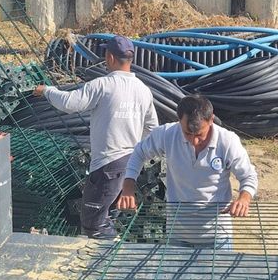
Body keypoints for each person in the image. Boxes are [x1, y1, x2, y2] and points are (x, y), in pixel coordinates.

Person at [33, 35, 158, 239]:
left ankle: (112, 262)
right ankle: (111, 254)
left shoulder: (102, 85)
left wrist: (47, 90)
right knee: (108, 218)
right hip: (130, 166)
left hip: (107, 167)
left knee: (94, 225)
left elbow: (70, 103)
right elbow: (152, 128)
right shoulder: (143, 91)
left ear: (109, 57)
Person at [117, 94, 258, 250]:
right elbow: (139, 152)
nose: (194, 141)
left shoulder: (227, 141)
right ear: (179, 121)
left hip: (216, 235)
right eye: (187, 134)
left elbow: (248, 176)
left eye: (199, 135)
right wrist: (128, 185)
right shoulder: (168, 134)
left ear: (211, 120)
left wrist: (244, 198)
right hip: (177, 234)